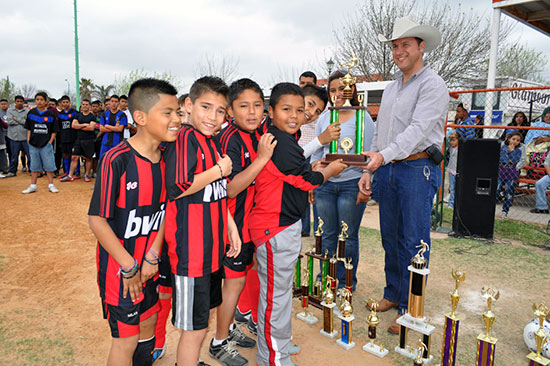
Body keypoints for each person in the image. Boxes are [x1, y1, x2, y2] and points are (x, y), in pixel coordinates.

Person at [358, 16, 449, 333]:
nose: (399, 51)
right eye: (395, 46)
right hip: (391, 167)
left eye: (405, 45)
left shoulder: (434, 85)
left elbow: (418, 131)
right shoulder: (392, 87)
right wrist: (373, 161)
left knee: (414, 239)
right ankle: (393, 295)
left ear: (421, 47)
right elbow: (381, 130)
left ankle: (413, 307)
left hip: (416, 166)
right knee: (391, 237)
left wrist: (382, 156)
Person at [249, 82, 347, 366]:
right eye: (286, 109)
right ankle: (272, 357)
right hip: (273, 228)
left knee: (281, 295)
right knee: (275, 298)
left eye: (301, 110)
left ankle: (279, 344)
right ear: (271, 111)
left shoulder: (285, 139)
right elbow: (306, 180)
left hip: (285, 225)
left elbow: (298, 172)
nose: (295, 116)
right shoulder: (278, 141)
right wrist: (331, 170)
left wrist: (316, 168)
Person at [88, 78, 181, 366]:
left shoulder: (168, 158)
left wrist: (152, 256)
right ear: (139, 117)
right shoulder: (116, 159)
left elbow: (165, 211)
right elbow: (97, 220)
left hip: (149, 265)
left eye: (178, 112)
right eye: (168, 112)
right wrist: (129, 266)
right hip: (122, 269)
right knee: (125, 339)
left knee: (149, 320)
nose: (177, 119)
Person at [163, 76, 241, 366]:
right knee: (194, 330)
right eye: (206, 107)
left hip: (211, 253)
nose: (213, 116)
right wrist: (219, 170)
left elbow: (216, 194)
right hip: (191, 255)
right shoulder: (185, 138)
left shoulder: (210, 141)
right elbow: (179, 185)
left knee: (201, 322)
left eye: (220, 111)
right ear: (188, 105)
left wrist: (230, 226)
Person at [209, 78, 277, 366]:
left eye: (257, 105)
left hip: (247, 224)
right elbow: (230, 188)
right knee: (232, 285)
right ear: (230, 111)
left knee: (237, 284)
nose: (251, 112)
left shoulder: (255, 133)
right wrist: (261, 160)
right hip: (229, 227)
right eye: (243, 106)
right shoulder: (230, 139)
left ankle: (231, 328)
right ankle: (218, 342)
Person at [310, 71, 375, 290]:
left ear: (352, 89)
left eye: (343, 88)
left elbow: (370, 151)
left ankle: (346, 282)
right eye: (333, 90)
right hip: (326, 185)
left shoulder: (362, 116)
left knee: (347, 236)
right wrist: (314, 175)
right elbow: (318, 151)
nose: (338, 94)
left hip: (351, 183)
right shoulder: (325, 117)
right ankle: (326, 279)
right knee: (326, 234)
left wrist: (367, 177)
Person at [22, 92, 60, 194]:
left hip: (46, 144)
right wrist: (28, 139)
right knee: (34, 165)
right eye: (37, 99)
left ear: (46, 101)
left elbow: (54, 131)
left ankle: (51, 185)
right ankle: (33, 185)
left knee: (49, 165)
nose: (39, 101)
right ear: (35, 101)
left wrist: (50, 142)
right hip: (33, 143)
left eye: (42, 99)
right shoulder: (31, 113)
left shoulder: (51, 114)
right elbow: (29, 128)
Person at [61, 99, 96, 182]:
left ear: (89, 106)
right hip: (78, 140)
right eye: (83, 104)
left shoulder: (92, 117)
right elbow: (73, 125)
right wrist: (84, 125)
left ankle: (87, 175)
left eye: (87, 104)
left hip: (89, 140)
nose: (85, 106)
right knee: (74, 157)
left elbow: (91, 128)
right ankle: (70, 175)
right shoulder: (77, 115)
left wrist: (79, 126)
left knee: (88, 158)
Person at [497, 132, 524, 217]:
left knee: (508, 191)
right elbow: (502, 159)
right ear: (508, 139)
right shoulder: (503, 148)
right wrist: (509, 160)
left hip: (512, 172)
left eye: (518, 140)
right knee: (497, 188)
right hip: (501, 170)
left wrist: (512, 152)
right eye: (513, 139)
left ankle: (505, 210)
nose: (515, 142)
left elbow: (514, 160)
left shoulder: (518, 151)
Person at [4, 96, 29, 178]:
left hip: (25, 137)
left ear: (23, 102)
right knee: (14, 156)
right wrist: (22, 119)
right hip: (13, 137)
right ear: (15, 102)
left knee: (30, 155)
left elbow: (27, 123)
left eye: (21, 101)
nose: (19, 103)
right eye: (17, 101)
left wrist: (16, 119)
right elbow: (10, 122)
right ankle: (12, 171)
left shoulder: (27, 111)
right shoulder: (10, 111)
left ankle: (32, 170)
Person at [57, 95, 79, 178]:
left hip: (73, 138)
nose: (65, 104)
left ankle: (76, 172)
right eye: (64, 102)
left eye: (67, 102)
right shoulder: (60, 114)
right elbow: (59, 127)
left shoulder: (75, 113)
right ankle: (66, 172)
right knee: (65, 154)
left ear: (69, 103)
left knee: (74, 155)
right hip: (63, 138)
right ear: (61, 103)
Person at [446, 131, 459, 208]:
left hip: (457, 171)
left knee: (457, 187)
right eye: (451, 140)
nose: (452, 142)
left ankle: (456, 202)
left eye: (454, 140)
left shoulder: (460, 148)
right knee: (452, 187)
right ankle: (451, 203)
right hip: (451, 170)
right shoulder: (450, 148)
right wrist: (450, 135)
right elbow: (447, 141)